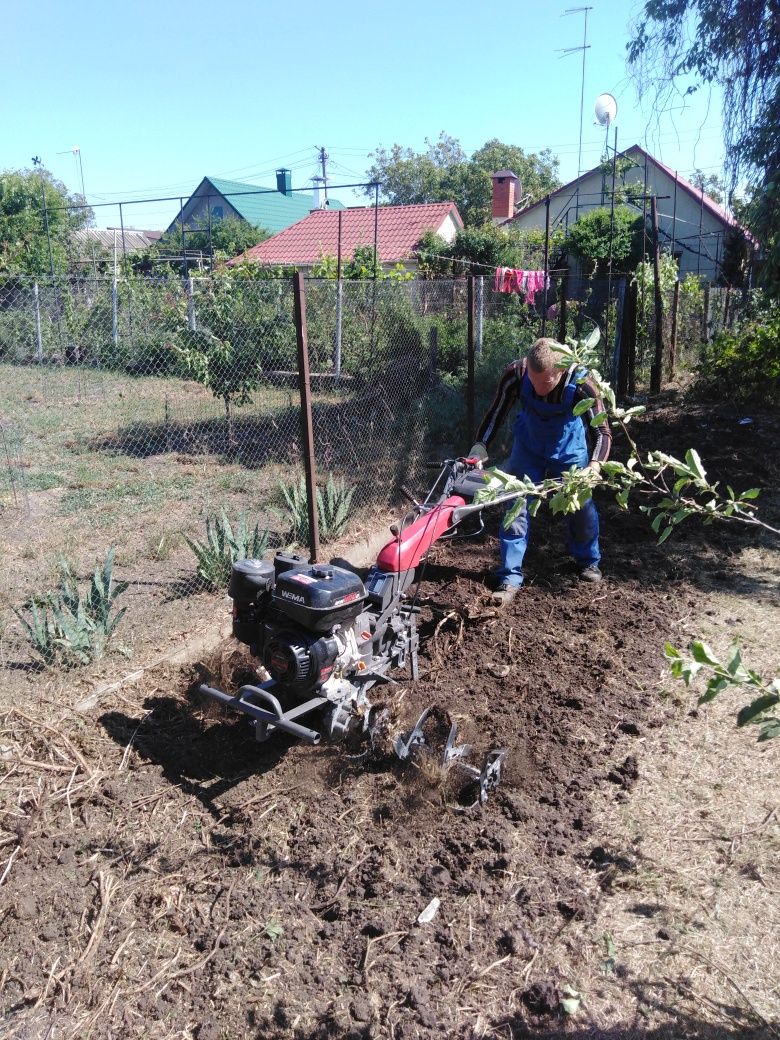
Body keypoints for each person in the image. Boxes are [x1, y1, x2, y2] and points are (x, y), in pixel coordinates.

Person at [469, 337, 611, 606]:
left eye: (544, 383)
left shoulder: (582, 382)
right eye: (533, 382)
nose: (537, 388)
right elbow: (496, 411)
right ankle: (510, 576)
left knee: (580, 503)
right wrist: (480, 445)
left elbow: (601, 430)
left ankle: (587, 561)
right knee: (516, 502)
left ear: (560, 372)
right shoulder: (516, 374)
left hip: (568, 447)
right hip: (529, 445)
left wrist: (595, 465)